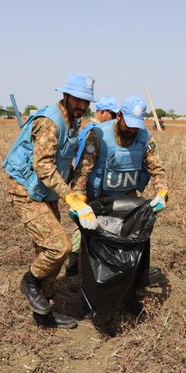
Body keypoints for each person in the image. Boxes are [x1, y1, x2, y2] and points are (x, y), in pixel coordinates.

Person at [2, 72, 98, 329]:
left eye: (86, 102)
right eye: (78, 100)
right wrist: (70, 197)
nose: (82, 106)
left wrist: (76, 191)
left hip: (46, 192)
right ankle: (30, 282)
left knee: (46, 250)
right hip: (25, 191)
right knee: (59, 246)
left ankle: (44, 312)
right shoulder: (50, 122)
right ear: (65, 96)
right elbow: (43, 167)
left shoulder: (72, 121)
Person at [71, 95, 169, 317]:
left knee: (130, 249)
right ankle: (88, 299)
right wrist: (77, 200)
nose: (132, 131)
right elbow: (83, 171)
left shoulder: (144, 138)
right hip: (100, 201)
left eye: (137, 127)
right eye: (129, 125)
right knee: (92, 250)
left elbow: (157, 169)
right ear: (120, 116)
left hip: (128, 201)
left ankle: (128, 294)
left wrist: (162, 193)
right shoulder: (99, 135)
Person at [66, 96, 120, 275]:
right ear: (102, 112)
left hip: (93, 185)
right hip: (88, 186)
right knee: (83, 227)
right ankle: (75, 268)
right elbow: (83, 162)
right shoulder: (95, 131)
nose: (115, 119)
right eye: (112, 114)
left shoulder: (92, 128)